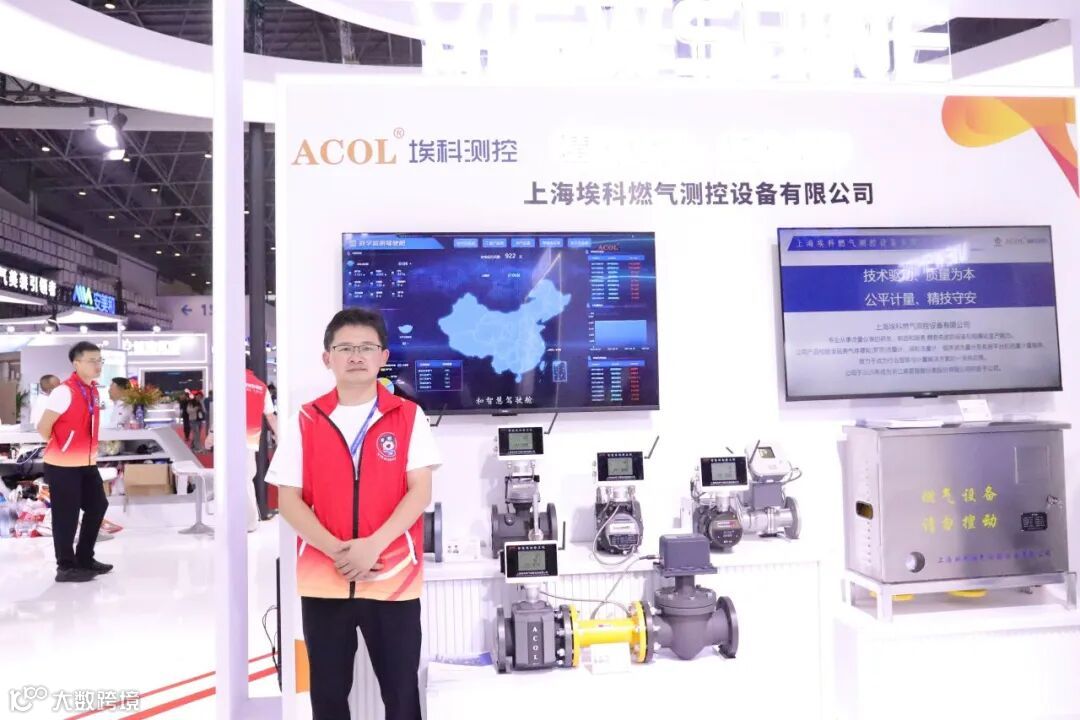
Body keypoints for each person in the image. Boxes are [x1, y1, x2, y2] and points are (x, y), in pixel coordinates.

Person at [266, 308, 440, 720]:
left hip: (393, 577)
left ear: (383, 356)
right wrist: (338, 551)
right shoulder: (306, 418)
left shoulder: (408, 416)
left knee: (401, 692)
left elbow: (420, 491)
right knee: (327, 693)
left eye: (366, 347)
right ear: (327, 357)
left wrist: (372, 546)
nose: (356, 356)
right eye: (345, 348)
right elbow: (288, 499)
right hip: (324, 579)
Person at [36, 341, 112, 583]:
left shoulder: (93, 390)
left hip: (87, 462)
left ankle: (85, 558)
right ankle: (65, 567)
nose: (98, 365)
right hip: (62, 465)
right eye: (92, 360)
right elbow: (43, 427)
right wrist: (63, 446)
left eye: (100, 360)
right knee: (65, 515)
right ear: (76, 363)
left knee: (97, 505)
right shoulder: (64, 391)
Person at [205, 365, 279, 531]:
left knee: (228, 480)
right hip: (249, 439)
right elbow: (271, 417)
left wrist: (212, 434)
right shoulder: (261, 386)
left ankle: (236, 520)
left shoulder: (229, 383)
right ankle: (249, 521)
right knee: (246, 480)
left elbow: (221, 412)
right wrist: (280, 437)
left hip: (229, 438)